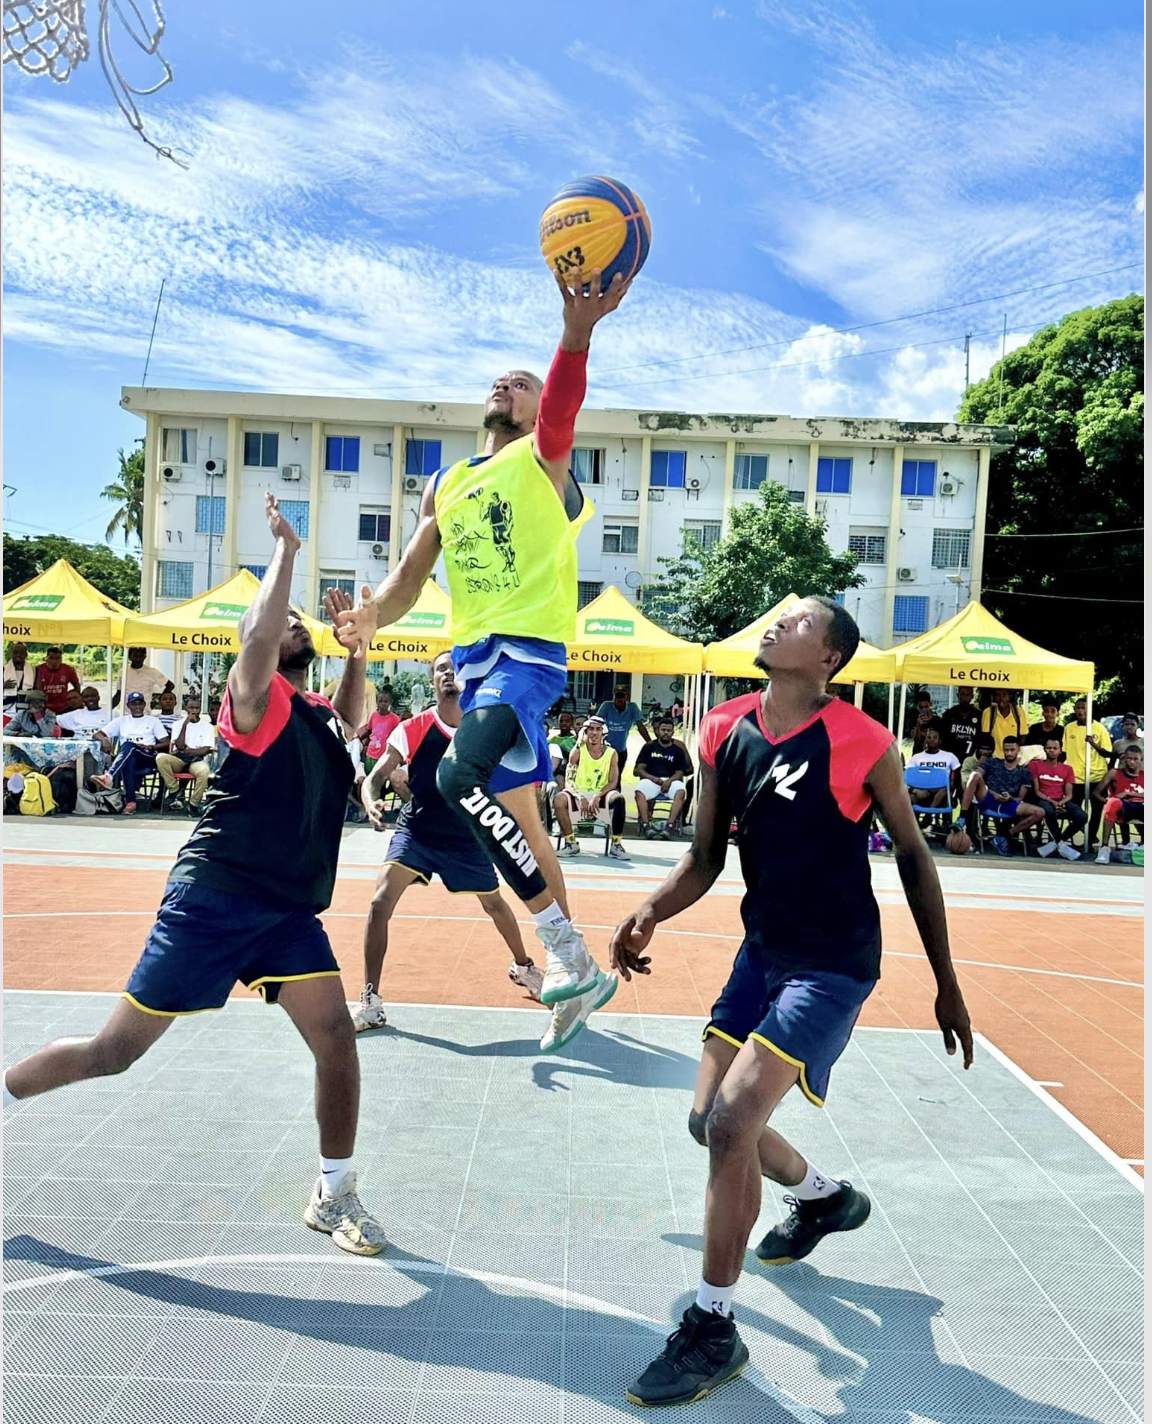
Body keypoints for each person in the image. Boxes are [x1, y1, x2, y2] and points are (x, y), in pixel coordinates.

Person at [608, 596, 973, 1408]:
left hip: (833, 964)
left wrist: (947, 983)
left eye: (800, 621)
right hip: (763, 954)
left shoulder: (863, 741)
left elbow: (913, 856)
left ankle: (712, 1326)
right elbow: (705, 857)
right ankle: (821, 1199)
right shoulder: (724, 729)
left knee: (734, 1124)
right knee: (709, 1123)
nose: (777, 622)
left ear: (829, 661)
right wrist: (649, 910)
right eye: (778, 616)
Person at [2, 494, 386, 1256]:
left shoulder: (307, 708)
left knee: (337, 1039)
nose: (299, 622)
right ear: (266, 643)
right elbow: (263, 630)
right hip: (213, 899)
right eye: (288, 624)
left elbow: (351, 720)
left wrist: (358, 648)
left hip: (283, 913)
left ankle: (333, 1192)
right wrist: (286, 551)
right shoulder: (253, 699)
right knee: (113, 1054)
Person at [333, 265, 629, 1053]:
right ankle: (575, 971)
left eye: (524, 382)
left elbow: (564, 404)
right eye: (505, 379)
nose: (510, 383)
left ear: (538, 411)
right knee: (525, 832)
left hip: (525, 659)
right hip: (472, 666)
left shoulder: (545, 460)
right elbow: (407, 579)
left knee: (455, 777)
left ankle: (564, 956)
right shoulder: (448, 482)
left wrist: (575, 335)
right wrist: (368, 618)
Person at [352, 651, 544, 1034]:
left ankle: (523, 966)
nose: (449, 674)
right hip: (418, 831)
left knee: (495, 905)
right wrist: (371, 795)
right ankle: (371, 1000)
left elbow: (514, 785)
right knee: (379, 901)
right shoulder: (414, 727)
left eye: (455, 669)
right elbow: (376, 776)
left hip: (467, 837)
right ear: (432, 681)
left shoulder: (485, 729)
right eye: (442, 669)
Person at [552, 715, 630, 861]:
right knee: (559, 799)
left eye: (598, 729)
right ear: (585, 732)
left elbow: (613, 781)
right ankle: (571, 843)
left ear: (603, 732)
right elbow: (569, 779)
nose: (594, 733)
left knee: (619, 799)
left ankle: (616, 844)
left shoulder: (611, 753)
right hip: (579, 792)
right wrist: (579, 796)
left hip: (600, 794)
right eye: (590, 729)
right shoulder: (578, 751)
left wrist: (598, 795)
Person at [957, 735, 1044, 853]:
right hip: (988, 798)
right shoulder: (992, 762)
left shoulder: (1024, 772)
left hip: (1008, 803)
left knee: (1039, 812)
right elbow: (976, 775)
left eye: (1012, 750)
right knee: (975, 775)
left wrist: (1010, 797)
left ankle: (1003, 837)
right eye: (1006, 750)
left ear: (1018, 750)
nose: (1009, 753)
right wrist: (993, 794)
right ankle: (962, 818)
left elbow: (1020, 798)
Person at [92, 693, 170, 814]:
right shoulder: (121, 721)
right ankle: (131, 803)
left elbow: (166, 742)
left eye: (140, 703)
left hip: (147, 755)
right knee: (129, 758)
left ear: (144, 704)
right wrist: (105, 740)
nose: (137, 706)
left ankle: (109, 776)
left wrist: (152, 746)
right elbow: (97, 734)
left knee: (128, 746)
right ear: (128, 705)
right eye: (134, 704)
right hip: (129, 757)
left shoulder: (153, 720)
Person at [1063, 697, 1113, 849]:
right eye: (1078, 708)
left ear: (1089, 710)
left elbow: (1108, 753)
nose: (1080, 711)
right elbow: (1064, 752)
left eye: (1083, 708)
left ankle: (1090, 840)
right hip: (1076, 777)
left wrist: (1093, 743)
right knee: (1075, 811)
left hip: (1097, 776)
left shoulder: (1099, 728)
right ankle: (1068, 838)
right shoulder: (1069, 728)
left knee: (1096, 811)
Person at [155, 695, 217, 813]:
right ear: (186, 708)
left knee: (204, 771)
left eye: (197, 708)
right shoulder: (178, 724)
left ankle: (194, 803)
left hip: (196, 760)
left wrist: (189, 751)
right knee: (160, 758)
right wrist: (185, 725)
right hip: (180, 759)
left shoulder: (207, 727)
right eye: (191, 708)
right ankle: (174, 789)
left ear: (200, 709)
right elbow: (179, 746)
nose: (194, 711)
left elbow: (205, 750)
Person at [634, 715, 693, 837]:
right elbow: (640, 769)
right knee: (639, 791)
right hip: (652, 779)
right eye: (663, 730)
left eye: (669, 730)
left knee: (681, 792)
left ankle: (669, 826)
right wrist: (653, 778)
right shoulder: (649, 747)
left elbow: (680, 771)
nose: (666, 733)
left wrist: (669, 781)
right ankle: (646, 825)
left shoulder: (678, 749)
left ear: (673, 732)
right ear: (658, 731)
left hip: (671, 780)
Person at [1031, 737, 1085, 860]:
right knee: (1048, 811)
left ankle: (1055, 843)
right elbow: (1037, 791)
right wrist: (1052, 802)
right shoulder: (1035, 765)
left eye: (1055, 748)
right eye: (1049, 748)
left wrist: (1061, 802)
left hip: (1062, 800)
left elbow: (1069, 794)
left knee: (1082, 816)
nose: (1051, 751)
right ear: (1044, 749)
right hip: (1043, 799)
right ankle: (1060, 844)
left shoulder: (1067, 769)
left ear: (1060, 751)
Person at [1093, 746, 1143, 863]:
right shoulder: (1115, 773)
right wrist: (1108, 801)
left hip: (1142, 806)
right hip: (1123, 808)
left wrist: (1127, 793)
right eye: (1129, 758)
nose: (1132, 762)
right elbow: (1096, 793)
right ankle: (1104, 847)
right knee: (1113, 802)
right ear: (1124, 759)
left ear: (1141, 760)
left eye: (1135, 759)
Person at [595, 684, 651, 777]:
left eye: (622, 697)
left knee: (617, 777)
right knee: (602, 777)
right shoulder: (606, 706)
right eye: (617, 697)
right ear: (613, 697)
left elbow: (640, 726)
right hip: (604, 749)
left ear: (627, 697)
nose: (619, 700)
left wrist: (650, 743)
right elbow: (597, 723)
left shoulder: (632, 707)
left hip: (621, 750)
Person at [907, 727, 960, 808]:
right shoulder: (916, 757)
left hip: (942, 791)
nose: (932, 739)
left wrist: (954, 793)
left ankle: (929, 814)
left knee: (946, 787)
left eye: (935, 737)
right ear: (925, 740)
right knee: (909, 797)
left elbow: (958, 777)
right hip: (922, 789)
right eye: (929, 737)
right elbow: (907, 776)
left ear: (940, 741)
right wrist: (914, 790)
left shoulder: (949, 756)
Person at [360, 686, 401, 772]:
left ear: (390, 702)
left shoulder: (394, 719)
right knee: (369, 777)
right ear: (377, 702)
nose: (383, 704)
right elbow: (369, 731)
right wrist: (360, 739)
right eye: (380, 701)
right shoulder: (374, 716)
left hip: (384, 756)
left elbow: (398, 736)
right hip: (371, 754)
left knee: (382, 780)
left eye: (386, 701)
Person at [33, 647, 81, 715]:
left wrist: (73, 700)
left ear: (61, 659)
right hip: (44, 708)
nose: (54, 661)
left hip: (64, 708)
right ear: (46, 658)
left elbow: (77, 686)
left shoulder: (68, 670)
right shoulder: (38, 670)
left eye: (57, 658)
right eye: (51, 658)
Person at [979, 688, 1026, 757]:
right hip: (994, 757)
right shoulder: (988, 712)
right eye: (997, 695)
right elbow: (985, 736)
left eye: (1004, 695)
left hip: (1012, 757)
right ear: (994, 697)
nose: (1001, 698)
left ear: (1010, 696)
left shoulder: (1018, 712)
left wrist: (1014, 752)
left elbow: (1023, 735)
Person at [938, 686, 979, 762]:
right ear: (958, 695)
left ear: (972, 696)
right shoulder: (948, 714)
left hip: (970, 761)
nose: (965, 698)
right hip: (950, 759)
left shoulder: (978, 715)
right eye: (962, 694)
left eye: (968, 695)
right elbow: (942, 738)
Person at [548, 709, 578, 788]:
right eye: (561, 721)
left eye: (567, 721)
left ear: (572, 723)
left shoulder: (576, 740)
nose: (564, 723)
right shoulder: (552, 740)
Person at [3, 642, 33, 710]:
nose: (18, 655)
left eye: (21, 653)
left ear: (26, 655)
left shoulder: (33, 671)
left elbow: (38, 691)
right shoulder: (3, 669)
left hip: (25, 712)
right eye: (15, 652)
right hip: (5, 711)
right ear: (11, 654)